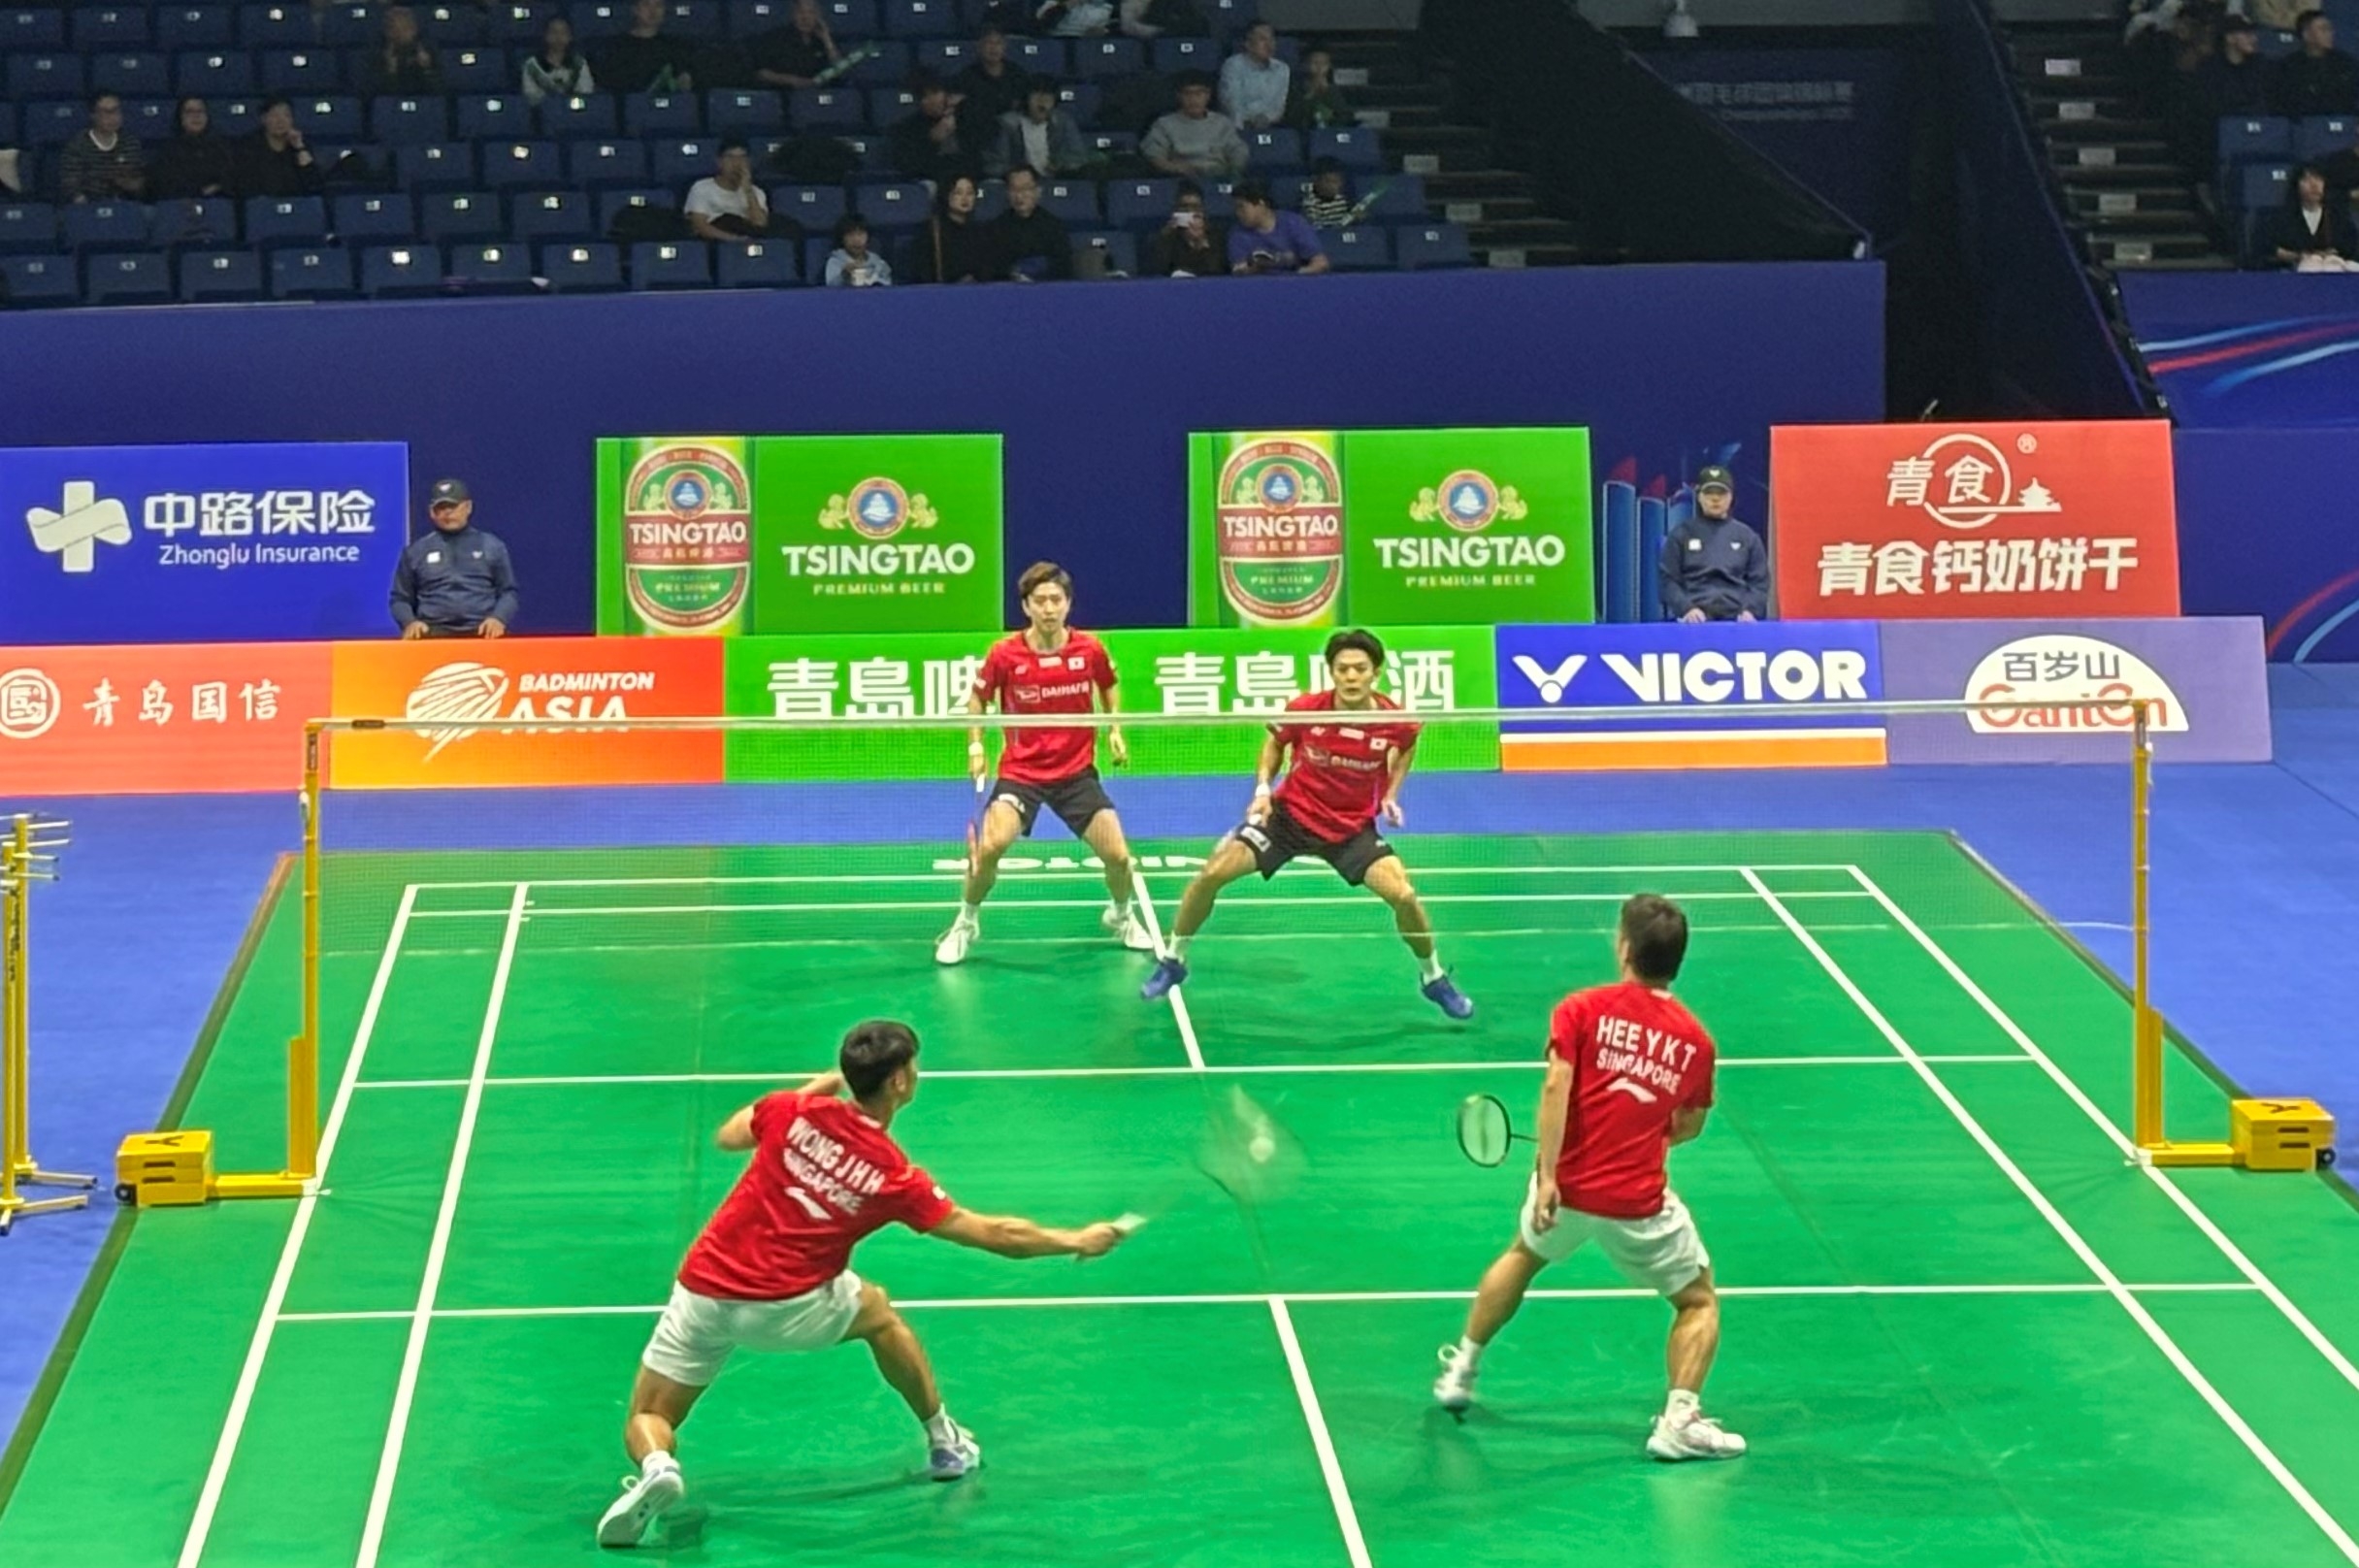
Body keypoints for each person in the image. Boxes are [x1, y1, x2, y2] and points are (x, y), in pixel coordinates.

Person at [594, 1020, 1130, 1549]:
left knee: (650, 1414)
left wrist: (812, 1091)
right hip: (790, 1308)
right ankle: (944, 1441)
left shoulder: (788, 1110)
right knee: (880, 1313)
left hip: (704, 1290)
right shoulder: (893, 1175)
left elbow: (729, 1135)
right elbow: (994, 1234)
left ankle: (658, 1466)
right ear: (898, 1081)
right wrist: (1075, 1239)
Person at [1430, 895, 1744, 1464]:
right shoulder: (1697, 1042)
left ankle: (1462, 1370)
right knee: (1698, 1300)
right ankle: (1679, 1421)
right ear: (1677, 960)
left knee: (1523, 1255)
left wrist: (1549, 1176)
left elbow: (1557, 1086)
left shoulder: (1581, 1009)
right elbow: (1689, 1125)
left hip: (1567, 1190)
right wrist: (1642, 1135)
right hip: (1638, 1205)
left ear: (1624, 949)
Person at [1140, 630, 1473, 1019]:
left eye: (1360, 669)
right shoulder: (1306, 709)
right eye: (1343, 669)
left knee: (1404, 895)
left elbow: (1407, 747)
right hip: (1288, 817)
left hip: (1350, 828)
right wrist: (1263, 790)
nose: (1351, 676)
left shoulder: (1394, 719)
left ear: (1376, 673)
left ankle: (1433, 978)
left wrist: (1390, 794)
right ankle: (1174, 960)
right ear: (1331, 672)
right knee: (1212, 873)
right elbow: (1274, 743)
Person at [937, 562, 1153, 965]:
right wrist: (975, 745)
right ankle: (966, 922)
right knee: (990, 847)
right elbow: (978, 698)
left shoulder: (1089, 649)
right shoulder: (1004, 654)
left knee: (1119, 857)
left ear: (1068, 603)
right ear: (1026, 606)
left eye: (1056, 599)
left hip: (1076, 775)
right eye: (1040, 601)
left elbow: (1108, 685)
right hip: (1022, 773)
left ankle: (1121, 915)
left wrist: (1115, 729)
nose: (1049, 608)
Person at [389, 478, 519, 639]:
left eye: (453, 506)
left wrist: (498, 618)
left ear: (468, 507)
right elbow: (400, 599)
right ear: (432, 512)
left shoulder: (492, 545)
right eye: (441, 508)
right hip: (432, 631)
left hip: (483, 630)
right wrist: (410, 622)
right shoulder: (415, 551)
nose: (447, 513)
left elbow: (508, 592)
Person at [1658, 465, 1768, 623]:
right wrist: (1686, 608)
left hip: (1738, 621)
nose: (1715, 499)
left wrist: (1750, 610)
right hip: (1693, 620)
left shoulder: (1748, 537)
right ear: (1699, 496)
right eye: (1709, 493)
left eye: (1721, 493)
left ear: (1731, 497)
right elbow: (1668, 580)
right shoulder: (1680, 535)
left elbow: (1759, 582)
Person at [1144, 73, 1248, 179]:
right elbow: (1153, 155)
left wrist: (1234, 169)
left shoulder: (1222, 123)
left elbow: (1237, 150)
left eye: (1199, 93)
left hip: (1217, 176)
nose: (1193, 99)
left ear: (1208, 95)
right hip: (1180, 178)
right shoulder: (1164, 124)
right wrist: (1173, 168)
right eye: (1187, 94)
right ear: (1179, 96)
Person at [988, 77, 1091, 179]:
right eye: (1037, 98)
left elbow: (1079, 157)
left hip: (1056, 180)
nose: (1042, 104)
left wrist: (1060, 165)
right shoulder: (1007, 124)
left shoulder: (1063, 122)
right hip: (1017, 183)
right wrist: (1017, 174)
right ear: (1026, 99)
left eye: (1048, 99)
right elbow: (995, 164)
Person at [684, 139, 783, 245]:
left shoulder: (756, 192)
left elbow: (760, 224)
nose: (736, 163)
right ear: (719, 162)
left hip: (748, 239)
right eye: (730, 157)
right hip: (716, 241)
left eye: (742, 157)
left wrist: (748, 190)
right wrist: (735, 240)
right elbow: (700, 226)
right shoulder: (701, 188)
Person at [906, 173, 999, 282]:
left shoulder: (982, 232)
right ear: (947, 196)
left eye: (970, 193)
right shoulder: (932, 232)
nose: (965, 198)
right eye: (958, 193)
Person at [892, 74, 984, 183]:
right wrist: (932, 141)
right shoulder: (908, 127)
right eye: (925, 96)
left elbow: (983, 146)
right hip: (934, 178)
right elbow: (909, 165)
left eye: (936, 93)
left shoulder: (968, 116)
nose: (933, 100)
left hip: (971, 175)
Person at [2263, 163, 2358, 265]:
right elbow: (2268, 248)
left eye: (2318, 179)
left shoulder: (2338, 217)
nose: (2314, 185)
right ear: (2296, 185)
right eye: (2307, 179)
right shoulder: (2280, 218)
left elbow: (2352, 248)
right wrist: (2297, 257)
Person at [2270, 8, 2359, 116]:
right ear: (2306, 35)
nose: (2330, 34)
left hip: (2344, 122)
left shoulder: (2346, 63)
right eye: (2323, 29)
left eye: (2330, 29)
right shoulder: (2288, 66)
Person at [144, 96, 237, 201]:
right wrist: (199, 191)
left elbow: (231, 180)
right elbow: (164, 185)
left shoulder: (221, 148)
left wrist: (218, 187)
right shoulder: (168, 151)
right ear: (180, 118)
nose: (196, 116)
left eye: (200, 111)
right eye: (189, 111)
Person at [1227, 179, 1328, 274]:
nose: (1238, 213)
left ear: (1261, 204)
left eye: (1241, 207)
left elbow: (1320, 262)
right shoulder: (1238, 235)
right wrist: (1253, 268)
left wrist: (1298, 277)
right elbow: (1240, 270)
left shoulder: (1293, 223)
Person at [597, 0, 698, 95]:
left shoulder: (675, 46)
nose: (652, 11)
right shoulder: (618, 47)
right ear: (635, 10)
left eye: (658, 6)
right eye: (646, 4)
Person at [58, 92, 145, 204]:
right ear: (93, 115)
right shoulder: (77, 146)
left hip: (125, 205)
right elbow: (70, 186)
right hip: (88, 206)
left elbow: (139, 181)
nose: (113, 117)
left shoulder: (130, 142)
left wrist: (130, 184)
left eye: (116, 111)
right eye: (106, 112)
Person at [992, 165, 1074, 279]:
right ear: (1007, 193)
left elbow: (1064, 267)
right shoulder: (997, 227)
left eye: (1026, 189)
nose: (1019, 196)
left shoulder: (1053, 226)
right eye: (1014, 189)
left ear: (1038, 191)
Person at [234, 97, 324, 198]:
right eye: (274, 115)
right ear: (263, 119)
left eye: (286, 115)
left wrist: (300, 148)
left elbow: (313, 183)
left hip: (295, 202)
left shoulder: (300, 144)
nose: (280, 121)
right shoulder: (248, 146)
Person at [750, 0, 840, 91]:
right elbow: (762, 73)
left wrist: (827, 40)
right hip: (785, 92)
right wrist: (793, 81)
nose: (805, 18)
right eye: (800, 12)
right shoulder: (777, 38)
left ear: (818, 16)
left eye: (811, 12)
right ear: (792, 14)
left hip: (818, 93)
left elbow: (838, 70)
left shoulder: (822, 41)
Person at [1219, 20, 1290, 131]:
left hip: (1268, 126)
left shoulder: (1282, 69)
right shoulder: (1233, 65)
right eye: (1262, 39)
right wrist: (1244, 127)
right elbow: (1232, 103)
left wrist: (1266, 119)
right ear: (1248, 44)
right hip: (1237, 126)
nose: (1269, 45)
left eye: (1271, 39)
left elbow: (1279, 106)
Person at [1146, 178, 1226, 276]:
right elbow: (1158, 269)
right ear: (1176, 209)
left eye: (1195, 207)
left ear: (1202, 210)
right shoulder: (1167, 236)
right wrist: (1166, 236)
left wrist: (1201, 243)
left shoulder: (1215, 235)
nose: (1190, 212)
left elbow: (1216, 270)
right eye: (1185, 207)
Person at [956, 26, 1032, 127]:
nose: (994, 48)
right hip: (980, 125)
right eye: (989, 42)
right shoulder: (967, 75)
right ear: (979, 47)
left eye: (998, 43)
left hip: (1012, 125)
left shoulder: (1016, 73)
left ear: (1005, 47)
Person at [2196, 13, 2269, 115]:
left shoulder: (2261, 64)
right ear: (2230, 38)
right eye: (2247, 34)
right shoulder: (2210, 69)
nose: (2254, 39)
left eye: (2253, 34)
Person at [362, 5, 442, 96]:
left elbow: (439, 91)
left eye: (405, 28)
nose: (398, 34)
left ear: (414, 29)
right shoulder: (377, 52)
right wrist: (391, 72)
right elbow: (371, 93)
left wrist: (427, 69)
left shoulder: (427, 50)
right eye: (393, 29)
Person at [520, 15, 596, 105]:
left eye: (563, 33)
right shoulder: (532, 65)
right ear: (545, 35)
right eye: (554, 32)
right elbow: (531, 96)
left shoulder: (579, 64)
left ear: (570, 37)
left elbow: (586, 92)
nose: (558, 37)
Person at [1284, 44, 1356, 131]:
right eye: (1315, 63)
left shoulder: (1333, 90)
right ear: (1306, 65)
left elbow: (1346, 116)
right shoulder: (1296, 88)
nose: (1319, 68)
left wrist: (1327, 93)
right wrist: (1311, 93)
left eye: (1324, 64)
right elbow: (1292, 117)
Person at [824, 212, 892, 284]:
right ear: (842, 239)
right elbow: (831, 286)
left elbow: (887, 284)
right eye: (851, 235)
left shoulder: (878, 262)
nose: (856, 240)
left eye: (860, 234)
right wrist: (844, 275)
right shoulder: (835, 262)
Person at [1298, 156, 1352, 228]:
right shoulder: (1310, 201)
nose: (1337, 185)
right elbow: (1314, 227)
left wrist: (1355, 218)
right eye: (1331, 182)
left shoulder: (1342, 198)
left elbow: (1344, 222)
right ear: (1317, 181)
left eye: (1339, 181)